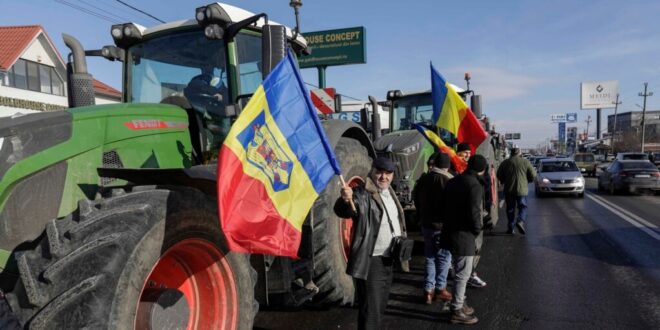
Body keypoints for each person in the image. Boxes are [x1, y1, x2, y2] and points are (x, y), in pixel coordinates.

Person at [334, 157, 408, 330]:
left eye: (388, 173)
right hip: (372, 261)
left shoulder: (389, 192)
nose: (383, 177)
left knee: (379, 307)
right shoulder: (362, 193)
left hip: (388, 259)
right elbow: (346, 210)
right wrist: (345, 199)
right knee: (371, 311)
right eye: (379, 172)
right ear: (372, 172)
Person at [440, 155, 488, 325]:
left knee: (459, 271)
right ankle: (457, 309)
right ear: (481, 170)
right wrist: (477, 231)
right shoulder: (475, 186)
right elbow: (475, 213)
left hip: (449, 232)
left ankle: (461, 302)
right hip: (464, 235)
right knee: (463, 274)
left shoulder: (453, 181)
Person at [414, 152, 453, 304]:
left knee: (430, 257)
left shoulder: (423, 179)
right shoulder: (448, 180)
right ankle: (440, 289)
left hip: (426, 224)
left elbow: (416, 198)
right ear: (447, 166)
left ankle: (428, 291)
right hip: (441, 226)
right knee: (444, 258)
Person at [496, 147, 536, 235]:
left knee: (510, 209)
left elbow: (499, 174)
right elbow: (533, 175)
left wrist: (504, 181)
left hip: (509, 190)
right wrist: (528, 180)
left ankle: (511, 228)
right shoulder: (525, 162)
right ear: (519, 153)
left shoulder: (505, 162)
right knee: (523, 207)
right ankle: (520, 221)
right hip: (522, 190)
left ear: (511, 153)